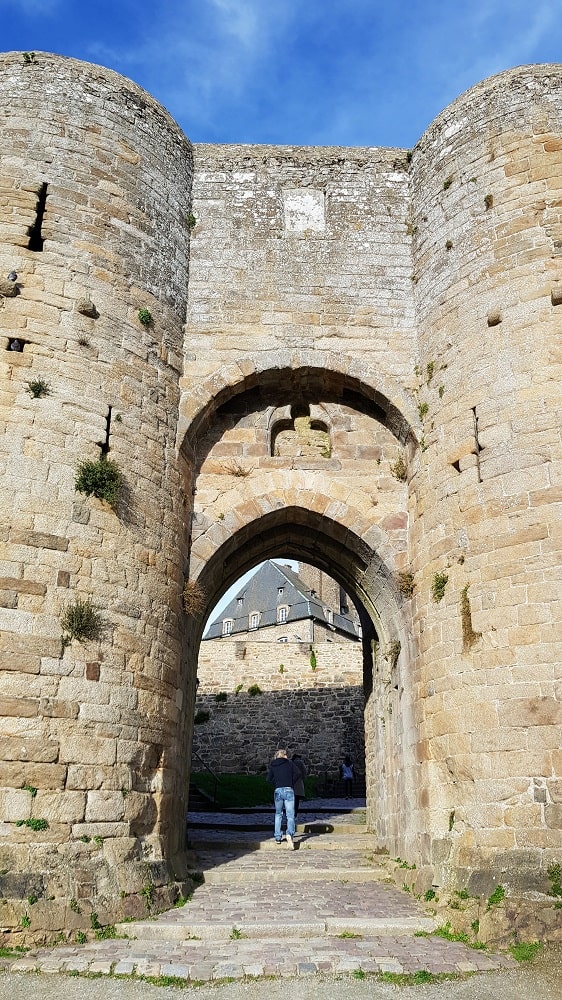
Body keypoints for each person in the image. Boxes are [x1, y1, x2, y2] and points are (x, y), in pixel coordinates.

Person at [266, 748, 299, 849]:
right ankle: (289, 834)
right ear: (284, 755)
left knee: (278, 814)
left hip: (278, 790)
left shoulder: (273, 765)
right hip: (288, 789)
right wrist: (291, 782)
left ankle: (277, 836)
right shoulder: (290, 764)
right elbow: (298, 773)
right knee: (290, 814)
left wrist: (276, 783)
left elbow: (268, 779)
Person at [292, 753, 307, 818]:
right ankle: (295, 813)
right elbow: (304, 771)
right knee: (297, 799)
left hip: (291, 783)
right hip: (298, 782)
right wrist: (303, 778)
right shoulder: (300, 763)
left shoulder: (291, 762)